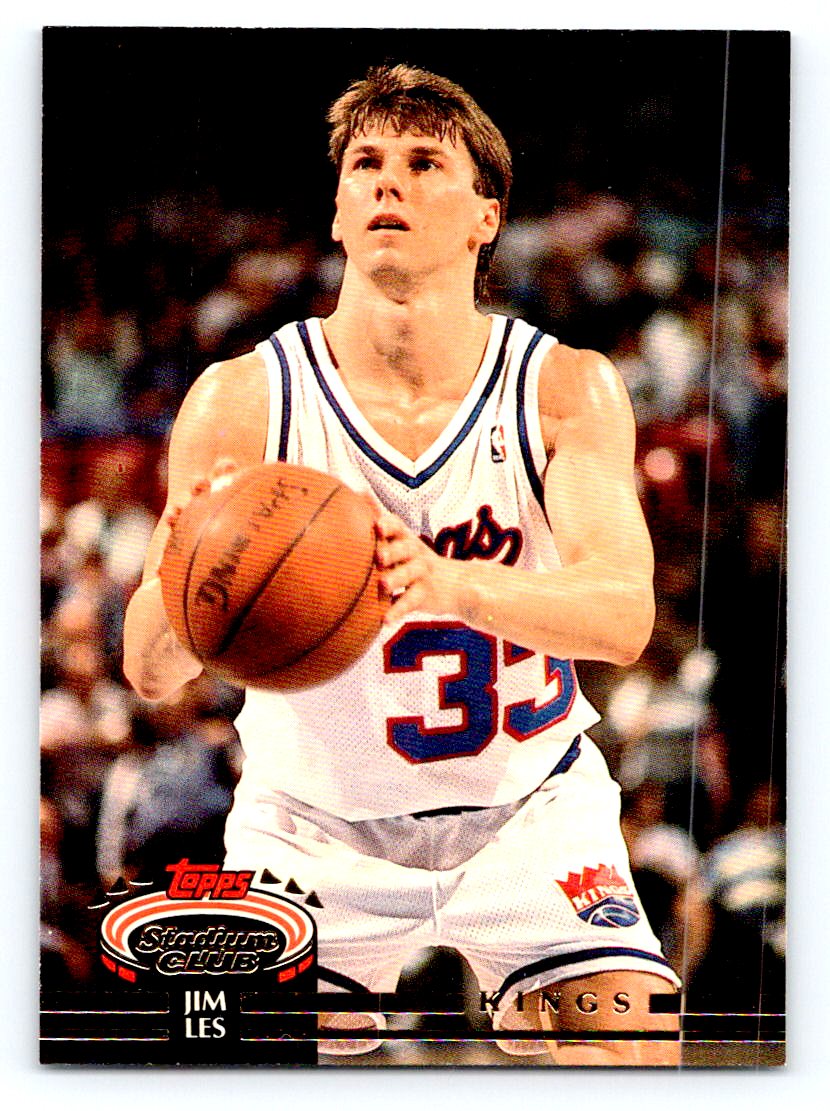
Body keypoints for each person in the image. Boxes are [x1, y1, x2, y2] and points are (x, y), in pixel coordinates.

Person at [123, 64, 680, 1065]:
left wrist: (444, 582)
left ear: (485, 218)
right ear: (338, 213)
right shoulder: (243, 399)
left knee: (630, 1046)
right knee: (228, 1068)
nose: (389, 180)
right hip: (307, 828)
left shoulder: (561, 387)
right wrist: (188, 579)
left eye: (425, 163)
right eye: (366, 164)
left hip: (530, 812)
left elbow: (621, 615)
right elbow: (149, 670)